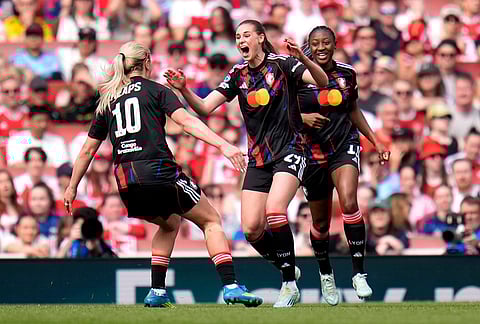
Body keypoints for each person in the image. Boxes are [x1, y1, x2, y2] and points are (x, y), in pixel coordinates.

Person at [63, 41, 262, 308]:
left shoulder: (108, 99)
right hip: (158, 171)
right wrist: (224, 145)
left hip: (126, 181)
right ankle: (231, 286)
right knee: (211, 220)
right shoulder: (157, 91)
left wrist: (72, 187)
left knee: (169, 223)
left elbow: (88, 150)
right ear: (146, 61)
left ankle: (156, 292)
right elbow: (187, 122)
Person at [164, 19, 329, 307]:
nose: (241, 40)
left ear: (261, 38)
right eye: (238, 36)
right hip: (258, 158)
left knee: (275, 210)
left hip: (290, 149)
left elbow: (322, 82)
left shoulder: (283, 65)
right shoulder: (237, 74)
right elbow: (204, 107)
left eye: (247, 35)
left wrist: (302, 57)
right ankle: (287, 267)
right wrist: (185, 89)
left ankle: (289, 284)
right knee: (252, 229)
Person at [298, 26, 390, 306]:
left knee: (350, 201)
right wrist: (303, 117)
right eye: (315, 43)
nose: (321, 47)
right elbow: (283, 111)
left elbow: (353, 109)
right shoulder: (297, 75)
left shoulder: (347, 73)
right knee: (321, 223)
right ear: (309, 46)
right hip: (312, 151)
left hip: (344, 145)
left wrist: (375, 139)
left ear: (335, 44)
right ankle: (326, 272)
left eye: (326, 42)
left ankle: (358, 273)